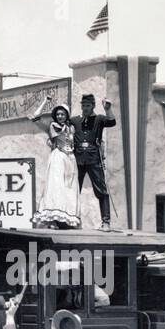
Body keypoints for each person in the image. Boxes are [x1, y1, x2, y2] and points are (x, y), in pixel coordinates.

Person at [30, 103, 81, 229]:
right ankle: (52, 219)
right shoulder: (52, 126)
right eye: (58, 114)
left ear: (67, 115)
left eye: (62, 114)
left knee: (69, 188)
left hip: (70, 159)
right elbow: (35, 116)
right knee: (56, 187)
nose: (60, 116)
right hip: (58, 157)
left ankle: (66, 220)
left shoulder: (71, 128)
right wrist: (44, 101)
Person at [71, 94, 117, 229]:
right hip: (78, 160)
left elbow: (112, 122)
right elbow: (60, 124)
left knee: (101, 190)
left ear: (93, 106)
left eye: (88, 106)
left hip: (94, 159)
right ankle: (72, 220)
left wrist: (108, 109)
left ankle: (106, 222)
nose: (85, 108)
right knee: (73, 191)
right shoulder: (75, 120)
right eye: (83, 105)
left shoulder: (99, 119)